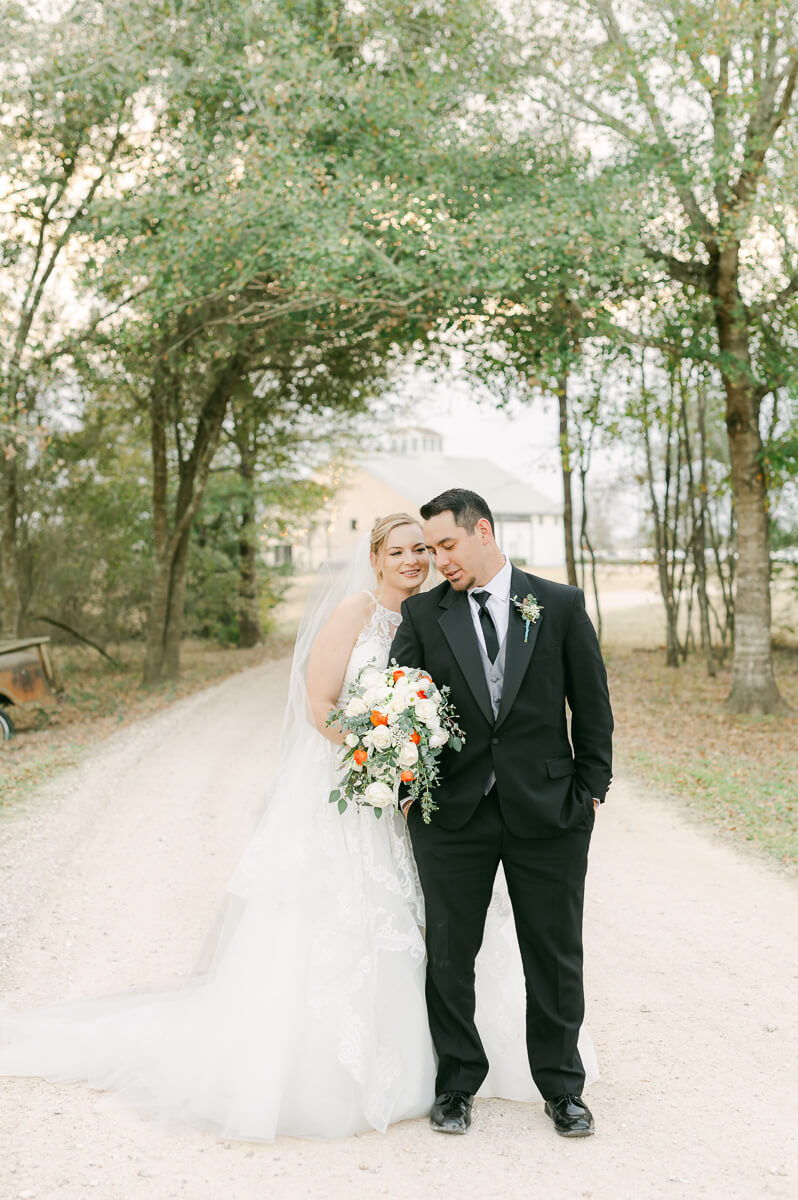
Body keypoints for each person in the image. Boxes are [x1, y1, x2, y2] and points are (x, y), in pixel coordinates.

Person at [0, 511, 597, 1141]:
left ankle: (496, 1074)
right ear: (376, 559)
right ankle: (402, 1075)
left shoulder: (438, 613)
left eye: (424, 549)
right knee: (363, 930)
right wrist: (376, 750)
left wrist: (415, 762)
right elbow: (320, 705)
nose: (415, 560)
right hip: (358, 788)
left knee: (429, 934)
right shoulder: (360, 614)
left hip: (413, 804)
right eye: (401, 551)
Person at [391, 489, 613, 1138]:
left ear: (482, 531)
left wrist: (590, 789)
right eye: (429, 550)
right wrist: (409, 788)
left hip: (550, 811)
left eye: (446, 546)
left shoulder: (560, 605)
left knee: (554, 953)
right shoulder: (423, 614)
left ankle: (563, 1090)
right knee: (450, 956)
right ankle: (457, 1084)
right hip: (451, 815)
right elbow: (399, 701)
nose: (437, 561)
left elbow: (591, 703)